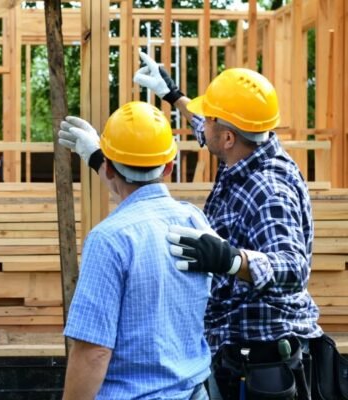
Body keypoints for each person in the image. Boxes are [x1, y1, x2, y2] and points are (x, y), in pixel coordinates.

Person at [133, 53, 322, 399]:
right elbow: (209, 125)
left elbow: (294, 268)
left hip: (264, 363)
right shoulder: (245, 149)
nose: (202, 123)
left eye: (211, 119)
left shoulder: (269, 189)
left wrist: (232, 260)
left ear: (230, 138)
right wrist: (172, 94)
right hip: (237, 354)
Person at [59, 101, 211, 400]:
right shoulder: (194, 220)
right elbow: (141, 199)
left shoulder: (108, 239)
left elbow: (94, 352)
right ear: (169, 166)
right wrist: (96, 156)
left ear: (110, 166)